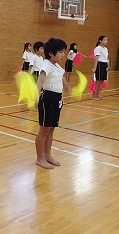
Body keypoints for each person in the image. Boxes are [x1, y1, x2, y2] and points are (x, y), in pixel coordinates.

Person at [35, 37, 68, 169]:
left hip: (57, 99)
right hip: (47, 99)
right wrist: (35, 99)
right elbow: (40, 82)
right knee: (44, 130)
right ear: (51, 53)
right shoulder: (46, 65)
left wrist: (66, 85)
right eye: (60, 52)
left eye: (64, 52)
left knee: (51, 129)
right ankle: (39, 157)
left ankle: (47, 155)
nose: (63, 55)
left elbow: (62, 79)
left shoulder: (57, 66)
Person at [92, 35, 109, 100]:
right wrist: (95, 67)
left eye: (106, 40)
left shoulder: (106, 49)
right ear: (100, 41)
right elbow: (96, 58)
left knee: (102, 81)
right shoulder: (97, 48)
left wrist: (107, 65)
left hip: (104, 65)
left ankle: (98, 95)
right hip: (99, 64)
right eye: (105, 40)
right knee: (98, 81)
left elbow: (106, 58)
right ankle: (94, 95)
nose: (106, 41)